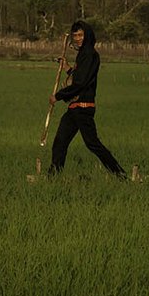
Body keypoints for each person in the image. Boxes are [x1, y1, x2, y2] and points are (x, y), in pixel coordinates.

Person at [48, 20, 126, 179]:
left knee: (93, 144)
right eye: (75, 35)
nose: (77, 38)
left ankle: (120, 174)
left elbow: (81, 83)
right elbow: (80, 76)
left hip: (83, 108)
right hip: (74, 108)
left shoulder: (90, 54)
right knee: (60, 143)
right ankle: (53, 177)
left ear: (87, 34)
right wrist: (67, 68)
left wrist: (59, 95)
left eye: (80, 35)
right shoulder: (83, 55)